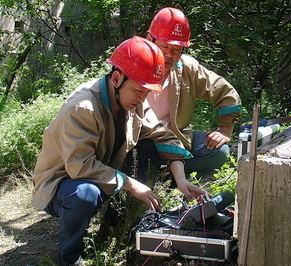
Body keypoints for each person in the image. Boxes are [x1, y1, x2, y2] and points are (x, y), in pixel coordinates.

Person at [31, 36, 206, 266]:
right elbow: (79, 166)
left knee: (149, 147)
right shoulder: (82, 108)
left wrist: (181, 180)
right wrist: (131, 184)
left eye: (147, 91)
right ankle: (69, 258)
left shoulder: (135, 99)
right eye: (138, 90)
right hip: (63, 184)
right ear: (116, 78)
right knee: (85, 194)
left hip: (103, 175)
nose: (143, 98)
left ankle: (112, 233)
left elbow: (164, 135)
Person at [140, 7, 242, 179]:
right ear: (150, 39)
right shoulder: (134, 62)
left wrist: (225, 130)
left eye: (177, 49)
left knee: (219, 152)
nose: (169, 55)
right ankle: (150, 176)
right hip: (140, 140)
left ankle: (167, 178)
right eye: (164, 46)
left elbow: (224, 91)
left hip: (176, 137)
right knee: (138, 158)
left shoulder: (187, 68)